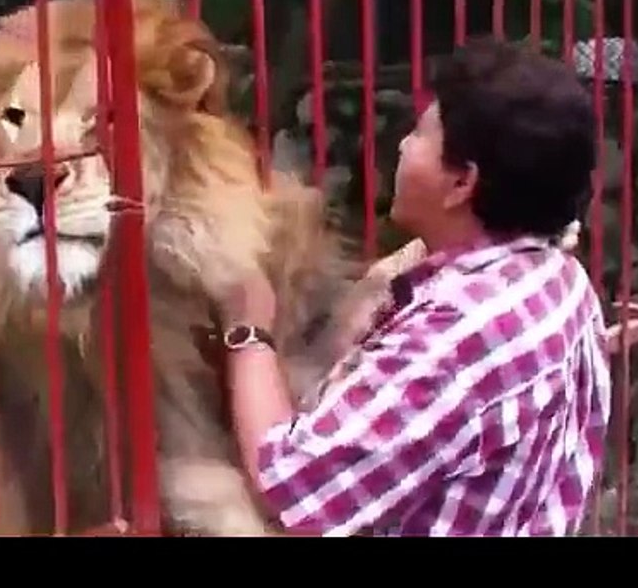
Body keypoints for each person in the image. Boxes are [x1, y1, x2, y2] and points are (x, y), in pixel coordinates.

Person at [216, 36, 611, 537]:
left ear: (461, 184)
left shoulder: (460, 336)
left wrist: (249, 330)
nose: (402, 143)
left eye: (423, 132)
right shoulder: (560, 280)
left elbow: (292, 492)